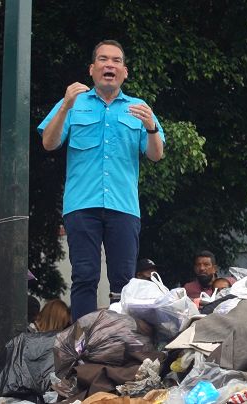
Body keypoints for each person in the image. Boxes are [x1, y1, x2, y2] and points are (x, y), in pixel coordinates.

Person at [37, 40, 166, 321]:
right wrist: (65, 107)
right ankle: (82, 343)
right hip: (81, 204)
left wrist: (151, 127)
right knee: (84, 276)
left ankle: (119, 339)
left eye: (116, 60)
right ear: (92, 69)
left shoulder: (139, 108)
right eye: (103, 60)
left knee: (123, 281)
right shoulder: (72, 103)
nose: (110, 65)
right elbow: (49, 143)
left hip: (123, 206)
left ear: (125, 71)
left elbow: (156, 155)